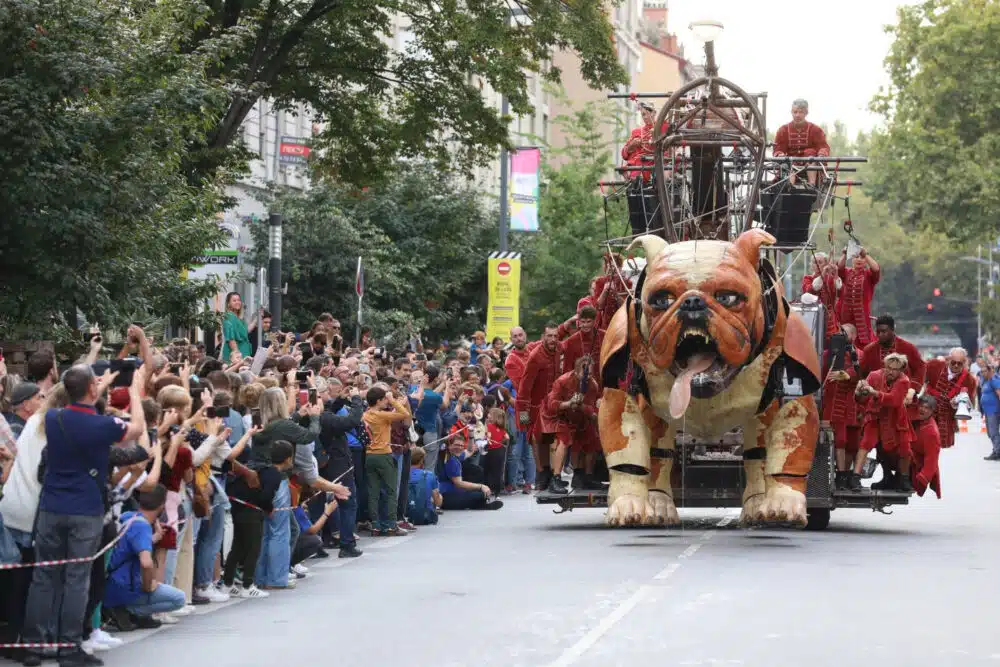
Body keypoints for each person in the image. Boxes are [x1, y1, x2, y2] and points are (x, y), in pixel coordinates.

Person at [20, 364, 146, 667]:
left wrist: (88, 386)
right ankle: (68, 647)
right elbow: (138, 430)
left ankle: (35, 645)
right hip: (85, 508)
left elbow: (73, 400)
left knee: (44, 577)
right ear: (93, 389)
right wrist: (135, 391)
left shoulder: (53, 418)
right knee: (77, 578)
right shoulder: (103, 426)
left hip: (52, 506)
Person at [103, 485, 186, 627]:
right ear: (161, 505)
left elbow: (129, 544)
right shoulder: (143, 527)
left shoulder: (128, 517)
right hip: (126, 586)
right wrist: (149, 585)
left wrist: (154, 538)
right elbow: (146, 563)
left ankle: (124, 609)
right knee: (178, 599)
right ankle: (130, 611)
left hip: (111, 581)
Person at [224, 440, 294, 599]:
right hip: (252, 510)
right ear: (288, 459)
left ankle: (228, 583)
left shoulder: (262, 468)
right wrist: (269, 509)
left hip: (238, 506)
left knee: (238, 546)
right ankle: (248, 585)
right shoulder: (275, 475)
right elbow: (265, 496)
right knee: (253, 548)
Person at [854, 353, 914, 493]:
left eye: (895, 369)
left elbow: (894, 400)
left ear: (901, 370)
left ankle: (903, 478)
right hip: (875, 416)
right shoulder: (874, 375)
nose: (891, 371)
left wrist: (874, 392)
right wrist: (859, 392)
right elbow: (861, 400)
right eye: (888, 367)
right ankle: (855, 477)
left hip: (895, 418)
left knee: (905, 448)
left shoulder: (904, 380)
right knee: (866, 443)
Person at [516, 323, 563, 490]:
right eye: (549, 336)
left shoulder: (559, 350)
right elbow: (524, 388)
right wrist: (524, 416)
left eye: (555, 336)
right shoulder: (535, 356)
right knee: (537, 440)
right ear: (543, 337)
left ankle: (552, 475)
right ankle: (542, 475)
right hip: (536, 408)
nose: (552, 339)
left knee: (557, 439)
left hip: (554, 406)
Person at [361, 385, 410, 536]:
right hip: (383, 455)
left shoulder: (365, 415)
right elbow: (404, 414)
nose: (386, 402)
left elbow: (391, 415)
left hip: (369, 455)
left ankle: (375, 525)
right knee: (390, 491)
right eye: (384, 400)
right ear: (379, 400)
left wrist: (394, 404)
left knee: (373, 492)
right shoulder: (382, 415)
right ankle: (390, 525)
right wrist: (393, 401)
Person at [823, 324, 864, 489]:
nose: (840, 336)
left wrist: (849, 375)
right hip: (833, 404)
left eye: (844, 333)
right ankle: (839, 475)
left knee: (853, 444)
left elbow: (865, 374)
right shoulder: (827, 354)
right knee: (838, 441)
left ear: (853, 336)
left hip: (853, 404)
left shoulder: (860, 354)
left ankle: (849, 475)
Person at [923, 347, 978, 449]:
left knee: (936, 450)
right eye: (953, 362)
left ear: (965, 362)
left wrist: (956, 405)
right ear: (948, 359)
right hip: (926, 414)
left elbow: (968, 406)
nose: (956, 365)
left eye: (960, 363)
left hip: (946, 420)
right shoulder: (934, 365)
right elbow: (920, 377)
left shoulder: (970, 380)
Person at [772, 98, 830, 186]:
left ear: (806, 113)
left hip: (810, 164)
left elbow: (823, 147)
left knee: (810, 153)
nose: (797, 115)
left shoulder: (815, 130)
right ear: (791, 112)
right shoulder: (783, 130)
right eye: (795, 112)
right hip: (791, 164)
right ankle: (789, 187)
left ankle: (812, 185)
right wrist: (780, 154)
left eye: (800, 112)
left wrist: (822, 154)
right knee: (787, 161)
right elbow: (778, 148)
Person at [438, 435, 503, 510]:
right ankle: (479, 504)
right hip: (445, 497)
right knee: (481, 495)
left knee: (477, 472)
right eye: (456, 445)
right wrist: (481, 486)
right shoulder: (451, 461)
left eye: (461, 445)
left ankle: (479, 503)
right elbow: (459, 483)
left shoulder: (451, 454)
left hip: (449, 492)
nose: (459, 447)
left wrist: (471, 436)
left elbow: (469, 450)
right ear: (449, 445)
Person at [860, 315, 924, 383]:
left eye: (884, 331)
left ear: (893, 330)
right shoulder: (869, 350)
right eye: (878, 332)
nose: (880, 335)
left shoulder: (908, 348)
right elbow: (861, 373)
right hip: (877, 391)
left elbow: (920, 368)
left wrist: (912, 389)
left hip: (903, 391)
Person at [837, 248, 881, 348]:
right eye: (856, 257)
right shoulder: (846, 273)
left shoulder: (869, 275)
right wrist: (845, 253)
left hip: (862, 319)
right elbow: (839, 267)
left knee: (864, 345)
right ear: (852, 259)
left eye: (862, 258)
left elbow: (876, 269)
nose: (859, 260)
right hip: (845, 317)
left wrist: (865, 254)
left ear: (865, 260)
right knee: (843, 342)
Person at [801, 253, 841, 341]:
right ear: (811, 265)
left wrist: (836, 274)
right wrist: (823, 274)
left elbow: (840, 291)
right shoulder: (807, 279)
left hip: (830, 324)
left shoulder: (831, 279)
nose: (817, 265)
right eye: (814, 262)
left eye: (820, 262)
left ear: (825, 264)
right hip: (812, 321)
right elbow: (811, 289)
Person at [910, 395, 942, 498]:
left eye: (926, 408)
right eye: (921, 406)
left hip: (916, 469)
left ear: (932, 411)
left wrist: (921, 481)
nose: (922, 409)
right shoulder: (918, 420)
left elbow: (931, 460)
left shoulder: (931, 432)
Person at [406, 446, 442, 525]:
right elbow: (438, 502)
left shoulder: (401, 475)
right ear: (422, 460)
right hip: (425, 517)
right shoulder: (429, 475)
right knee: (437, 496)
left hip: (405, 517)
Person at [482, 407, 509, 495]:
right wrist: (500, 442)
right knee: (498, 470)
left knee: (489, 469)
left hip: (492, 450)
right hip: (501, 450)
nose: (488, 415)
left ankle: (489, 488)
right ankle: (498, 490)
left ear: (494, 416)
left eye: (489, 414)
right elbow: (507, 437)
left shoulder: (489, 426)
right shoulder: (502, 428)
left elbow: (488, 437)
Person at [980, 365, 1000, 460]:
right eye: (981, 371)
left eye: (984, 371)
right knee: (990, 433)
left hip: (994, 411)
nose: (983, 373)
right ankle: (996, 450)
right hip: (987, 411)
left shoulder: (994, 380)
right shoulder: (986, 381)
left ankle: (997, 452)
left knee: (993, 432)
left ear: (989, 371)